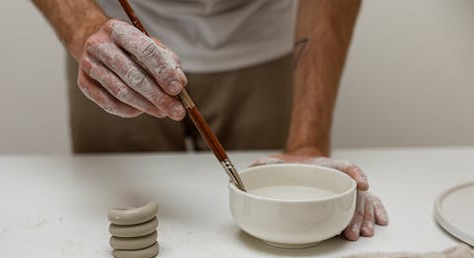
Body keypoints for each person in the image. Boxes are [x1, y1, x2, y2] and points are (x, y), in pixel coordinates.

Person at [32, 0, 388, 240]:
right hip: (115, 44)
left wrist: (307, 145)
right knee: (103, 219)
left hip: (260, 40)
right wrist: (82, 28)